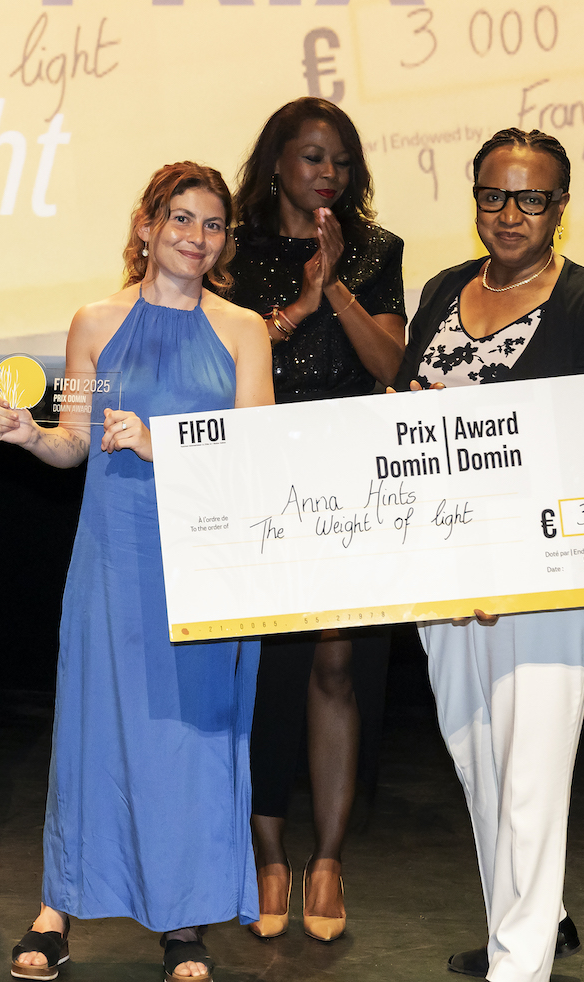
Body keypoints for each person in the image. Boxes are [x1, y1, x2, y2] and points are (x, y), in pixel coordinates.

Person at [0, 162, 274, 982]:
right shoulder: (97, 322)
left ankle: (183, 922)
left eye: (212, 224)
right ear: (147, 225)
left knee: (189, 741)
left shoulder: (242, 330)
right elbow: (75, 439)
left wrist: (163, 445)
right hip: (115, 559)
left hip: (204, 559)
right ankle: (57, 906)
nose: (196, 237)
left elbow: (256, 455)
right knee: (94, 731)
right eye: (180, 218)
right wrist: (31, 435)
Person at [394, 128, 584, 982]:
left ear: (560, 207)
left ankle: (520, 964)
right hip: (446, 560)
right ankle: (522, 927)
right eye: (493, 195)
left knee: (531, 765)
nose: (510, 213)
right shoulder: (441, 290)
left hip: (548, 569)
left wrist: (521, 559)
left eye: (531, 197)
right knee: (477, 756)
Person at [224, 97, 407, 941]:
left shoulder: (374, 250)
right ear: (276, 163)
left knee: (337, 663)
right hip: (259, 467)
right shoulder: (231, 247)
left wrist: (332, 286)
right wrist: (297, 300)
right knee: (266, 669)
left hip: (349, 473)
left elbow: (389, 362)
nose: (328, 172)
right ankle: (267, 856)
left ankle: (327, 859)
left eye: (341, 160)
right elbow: (226, 352)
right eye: (311, 156)